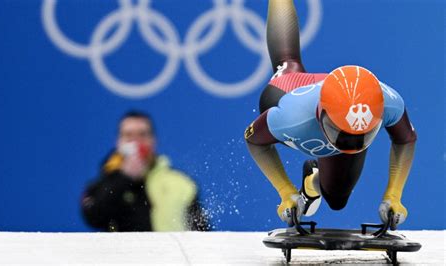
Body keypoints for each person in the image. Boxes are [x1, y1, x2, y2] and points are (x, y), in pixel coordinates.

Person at [244, 0, 416, 229]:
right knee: (287, 60)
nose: (351, 144)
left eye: (363, 135)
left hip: (336, 103)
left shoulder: (389, 103)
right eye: (343, 135)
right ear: (321, 115)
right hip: (288, 88)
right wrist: (285, 191)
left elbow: (406, 139)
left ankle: (312, 181)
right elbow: (254, 141)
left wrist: (394, 195)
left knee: (337, 199)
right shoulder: (290, 117)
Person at [81, 111, 209, 232]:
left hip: (168, 254)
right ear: (118, 142)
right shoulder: (104, 183)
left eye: (142, 135)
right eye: (129, 135)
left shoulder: (180, 183)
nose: (136, 142)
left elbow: (201, 233)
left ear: (153, 141)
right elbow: (93, 217)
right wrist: (124, 177)